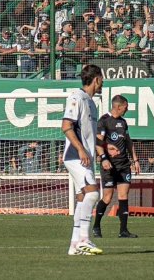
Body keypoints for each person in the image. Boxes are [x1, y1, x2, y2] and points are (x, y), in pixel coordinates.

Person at [61, 63, 104, 256]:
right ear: (96, 79)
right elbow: (66, 126)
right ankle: (84, 240)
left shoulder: (91, 103)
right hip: (75, 156)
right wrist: (80, 150)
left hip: (85, 157)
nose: (102, 82)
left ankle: (74, 244)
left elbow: (87, 134)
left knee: (82, 197)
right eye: (101, 79)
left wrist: (99, 149)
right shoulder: (76, 97)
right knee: (93, 193)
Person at [91, 94, 140, 239]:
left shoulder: (123, 123)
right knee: (107, 197)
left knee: (123, 196)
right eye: (126, 106)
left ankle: (123, 230)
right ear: (118, 106)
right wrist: (104, 158)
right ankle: (96, 226)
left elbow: (129, 142)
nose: (127, 109)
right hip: (109, 166)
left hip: (124, 164)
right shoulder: (104, 121)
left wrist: (135, 160)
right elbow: (98, 142)